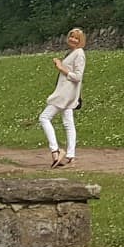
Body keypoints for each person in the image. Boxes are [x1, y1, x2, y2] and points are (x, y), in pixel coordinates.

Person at [39, 28, 86, 168]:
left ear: (81, 41)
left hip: (65, 93)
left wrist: (61, 67)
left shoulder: (79, 54)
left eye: (76, 38)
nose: (72, 40)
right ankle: (71, 156)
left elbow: (77, 76)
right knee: (68, 123)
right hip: (67, 93)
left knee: (44, 117)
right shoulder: (72, 53)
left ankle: (56, 150)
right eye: (71, 37)